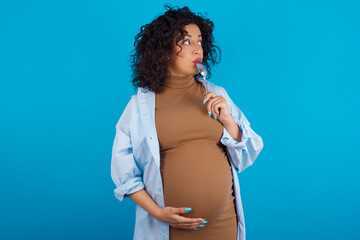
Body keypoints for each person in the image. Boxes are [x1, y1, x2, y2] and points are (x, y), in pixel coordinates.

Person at [111, 5, 263, 240]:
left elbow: (247, 155)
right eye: (187, 41)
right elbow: (124, 174)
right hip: (170, 229)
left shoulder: (217, 94)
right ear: (163, 51)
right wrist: (159, 214)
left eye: (200, 41)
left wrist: (228, 121)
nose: (197, 49)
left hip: (224, 224)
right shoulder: (139, 106)